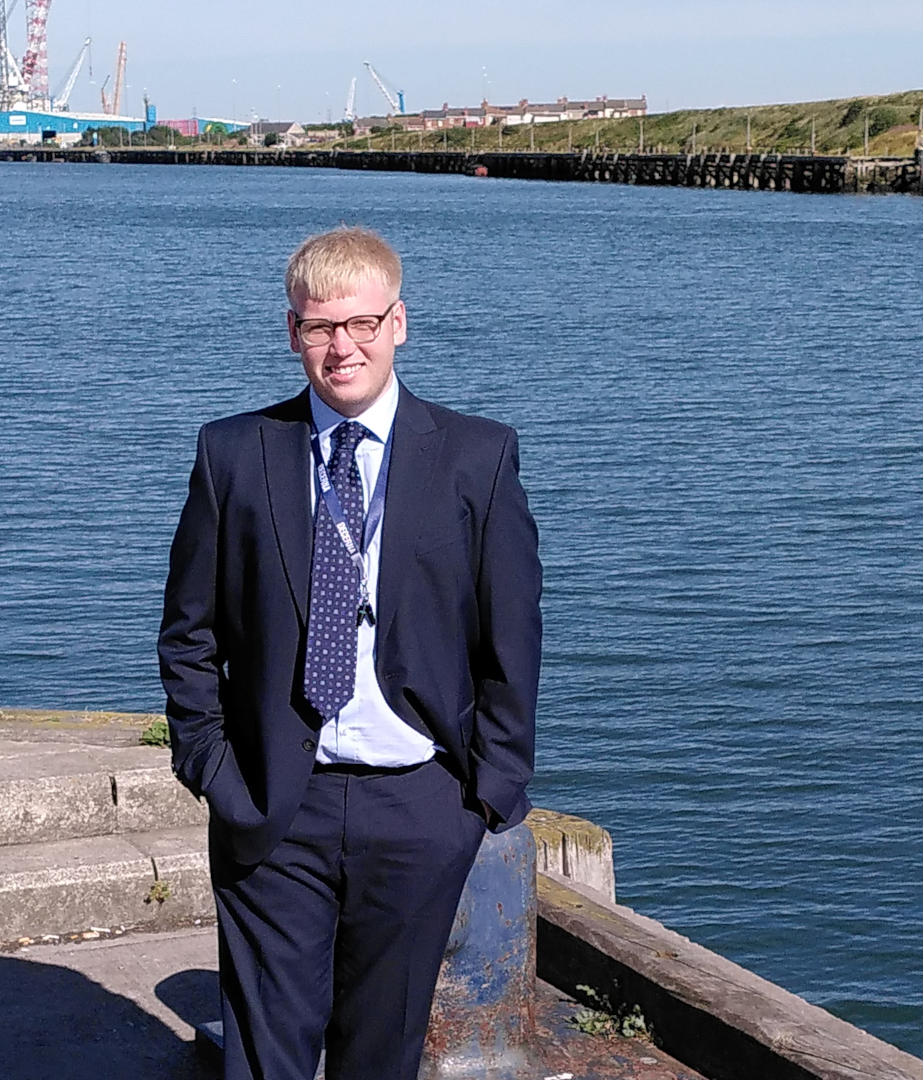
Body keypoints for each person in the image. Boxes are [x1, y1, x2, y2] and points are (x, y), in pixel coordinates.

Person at [158, 226, 542, 1080]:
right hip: (273, 808)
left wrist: (485, 794)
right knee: (265, 1057)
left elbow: (511, 638)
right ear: (291, 331)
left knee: (382, 1052)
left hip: (420, 805)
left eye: (362, 324)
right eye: (320, 327)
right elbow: (189, 634)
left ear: (399, 322)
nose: (343, 348)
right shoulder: (233, 454)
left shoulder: (476, 459)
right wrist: (215, 770)